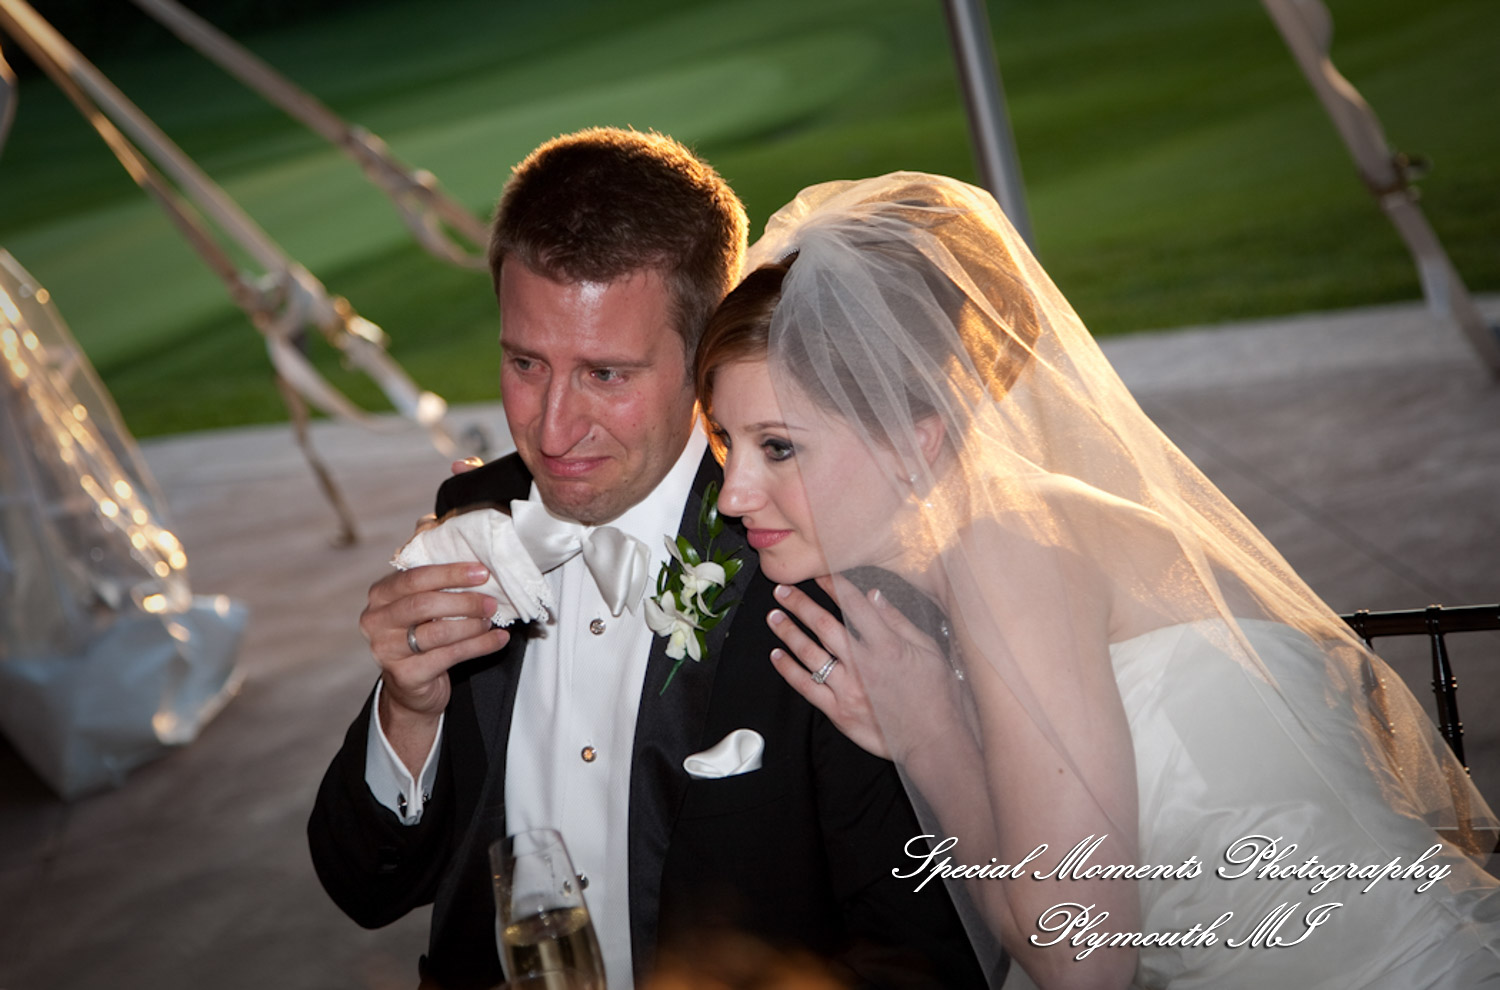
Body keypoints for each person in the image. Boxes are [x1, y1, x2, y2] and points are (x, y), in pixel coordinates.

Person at [694, 171, 1500, 990]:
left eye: (779, 446)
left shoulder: (1012, 551)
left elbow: (1080, 962)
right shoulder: (960, 566)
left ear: (915, 440)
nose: (733, 493)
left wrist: (928, 733)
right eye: (726, 439)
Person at [307, 131, 990, 990]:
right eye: (526, 363)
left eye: (606, 374)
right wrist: (408, 710)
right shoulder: (475, 522)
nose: (553, 430)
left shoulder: (824, 571)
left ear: (704, 359)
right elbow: (365, 887)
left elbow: (925, 956)